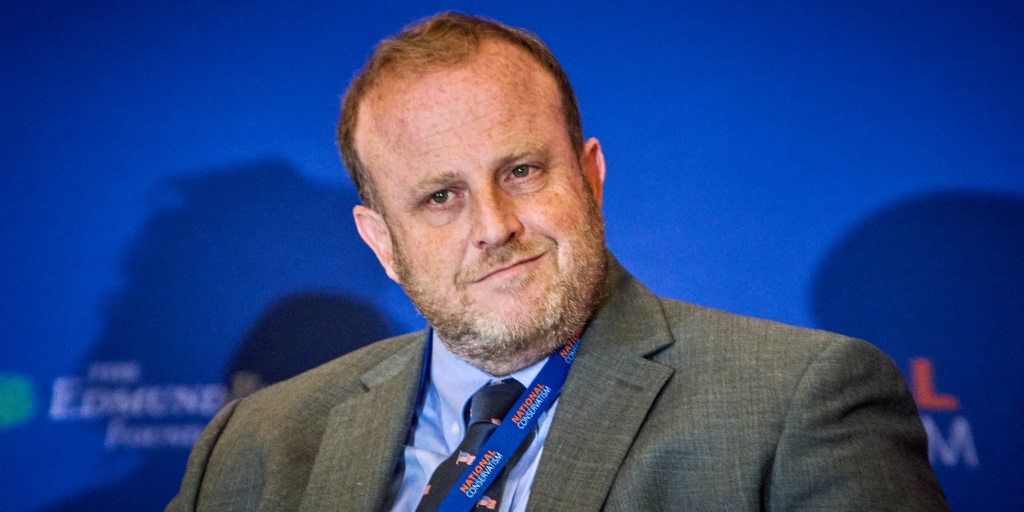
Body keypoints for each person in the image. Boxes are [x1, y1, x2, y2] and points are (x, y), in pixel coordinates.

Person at [168, 12, 950, 512]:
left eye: (521, 172)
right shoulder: (251, 448)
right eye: (440, 197)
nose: (494, 227)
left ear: (591, 177)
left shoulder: (798, 405)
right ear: (382, 243)